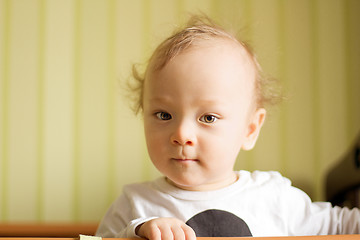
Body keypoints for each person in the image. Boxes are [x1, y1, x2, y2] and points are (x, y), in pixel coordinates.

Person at [96, 15, 360, 239]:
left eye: (208, 118)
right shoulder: (135, 205)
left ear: (250, 130)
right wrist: (136, 231)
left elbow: (344, 225)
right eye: (164, 115)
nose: (181, 135)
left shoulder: (273, 198)